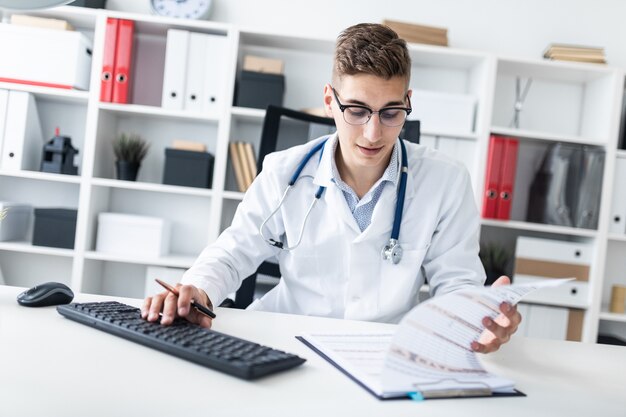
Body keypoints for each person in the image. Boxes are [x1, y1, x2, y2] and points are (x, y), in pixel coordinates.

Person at [142, 23, 521, 354]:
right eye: (356, 110)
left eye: (390, 113)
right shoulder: (284, 172)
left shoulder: (446, 180)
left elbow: (456, 284)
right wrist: (198, 292)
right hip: (287, 337)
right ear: (329, 101)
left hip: (383, 348)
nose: (373, 133)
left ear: (408, 103)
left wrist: (477, 319)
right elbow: (233, 251)